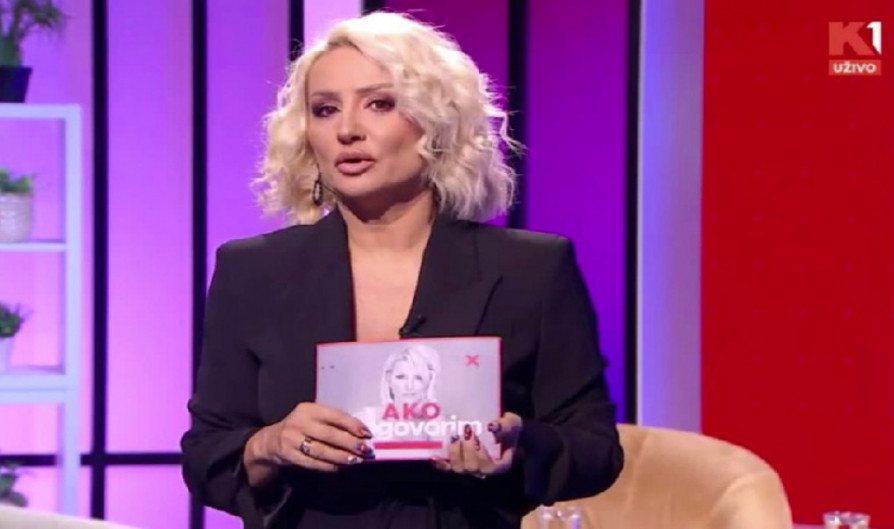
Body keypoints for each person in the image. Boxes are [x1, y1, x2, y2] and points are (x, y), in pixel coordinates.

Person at [180, 10, 624, 529]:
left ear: (435, 122)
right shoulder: (252, 271)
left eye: (379, 104)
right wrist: (270, 443)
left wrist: (518, 444)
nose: (347, 130)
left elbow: (594, 448)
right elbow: (206, 456)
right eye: (324, 110)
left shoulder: (532, 269)